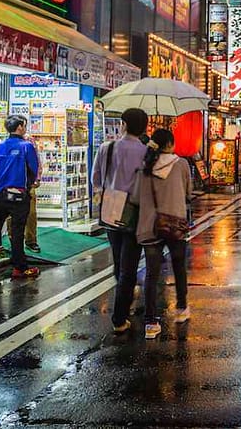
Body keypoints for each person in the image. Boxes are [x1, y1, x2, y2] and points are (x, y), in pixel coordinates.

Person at [121, 129, 192, 339]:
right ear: (170, 143)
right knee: (179, 268)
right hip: (174, 225)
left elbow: (134, 198)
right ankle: (181, 309)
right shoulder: (181, 164)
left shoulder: (145, 167)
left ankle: (150, 323)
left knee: (151, 274)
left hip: (150, 225)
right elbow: (189, 192)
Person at [92, 108, 149, 285]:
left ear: (123, 124)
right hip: (136, 208)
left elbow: (96, 178)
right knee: (131, 257)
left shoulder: (106, 148)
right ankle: (126, 293)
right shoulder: (147, 152)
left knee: (117, 254)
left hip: (112, 206)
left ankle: (121, 289)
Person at [0, 115, 41, 279]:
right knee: (17, 230)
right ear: (20, 127)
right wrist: (30, 185)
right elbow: (33, 169)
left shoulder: (1, 146)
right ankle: (20, 268)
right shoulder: (26, 146)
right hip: (19, 195)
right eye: (24, 125)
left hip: (1, 194)